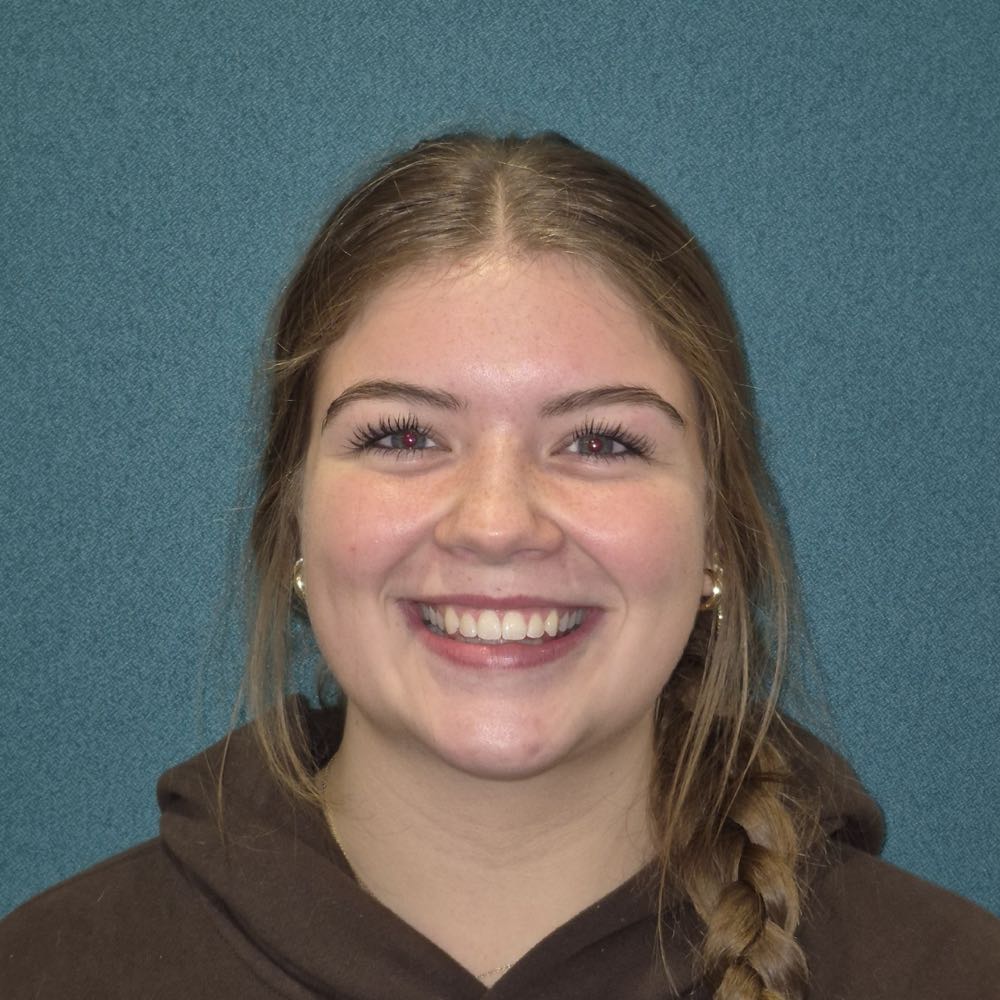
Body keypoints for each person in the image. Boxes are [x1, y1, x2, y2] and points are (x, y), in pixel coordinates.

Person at [2, 132, 998, 1000]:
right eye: (402, 435)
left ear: (718, 539)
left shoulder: (953, 974)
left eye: (601, 441)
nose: (495, 522)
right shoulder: (48, 971)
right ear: (291, 518)